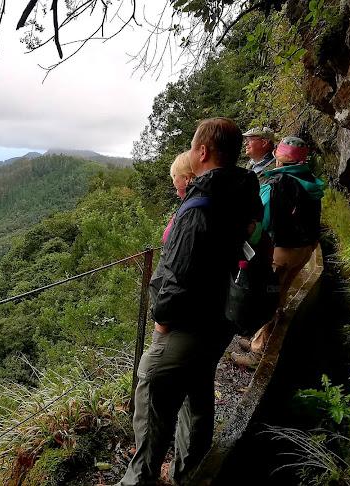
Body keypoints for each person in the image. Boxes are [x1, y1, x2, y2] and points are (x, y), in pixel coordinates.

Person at [117, 118, 263, 486]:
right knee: (198, 394)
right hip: (219, 317)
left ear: (202, 151)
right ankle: (192, 471)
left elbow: (178, 275)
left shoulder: (200, 206)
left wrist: (161, 322)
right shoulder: (243, 193)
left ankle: (140, 480)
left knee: (152, 396)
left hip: (186, 324)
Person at [231, 136, 324, 367]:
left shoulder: (276, 184)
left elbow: (261, 220)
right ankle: (261, 338)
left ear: (279, 159)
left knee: (267, 298)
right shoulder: (311, 181)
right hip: (304, 249)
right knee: (279, 295)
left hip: (281, 251)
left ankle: (257, 350)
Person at [162, 151, 196, 243]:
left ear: (186, 178)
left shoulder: (192, 211)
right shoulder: (191, 205)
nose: (173, 182)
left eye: (174, 176)